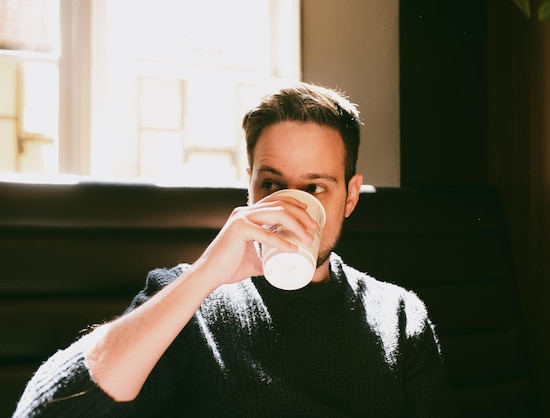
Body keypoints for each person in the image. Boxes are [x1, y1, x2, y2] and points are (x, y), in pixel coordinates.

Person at [13, 82, 452, 417]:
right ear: (249, 186)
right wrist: (205, 276)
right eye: (271, 185)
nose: (289, 206)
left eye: (314, 187)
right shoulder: (189, 303)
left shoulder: (399, 317)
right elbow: (45, 409)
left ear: (351, 197)